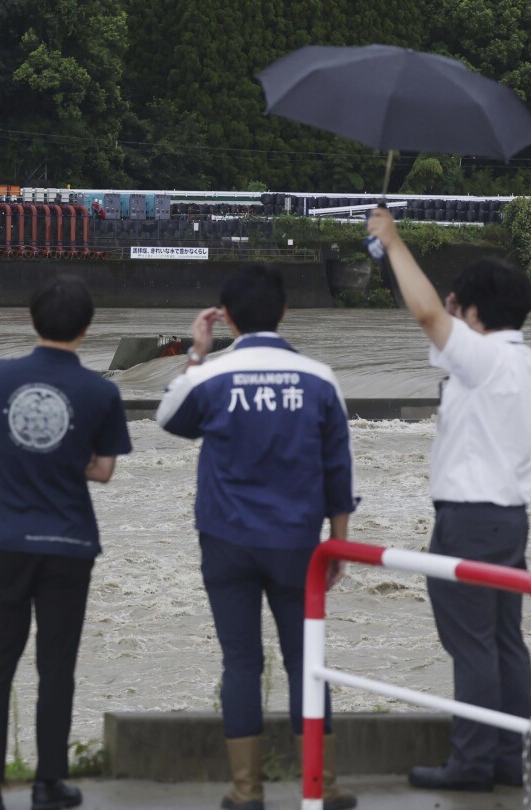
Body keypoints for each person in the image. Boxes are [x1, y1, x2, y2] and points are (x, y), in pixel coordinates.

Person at [155, 265, 357, 810]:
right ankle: (324, 784)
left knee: (241, 662)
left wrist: (197, 352)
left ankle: (246, 791)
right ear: (285, 312)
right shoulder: (318, 379)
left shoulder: (211, 377)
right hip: (296, 542)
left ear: (226, 319)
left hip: (226, 540)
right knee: (304, 659)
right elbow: (339, 466)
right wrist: (337, 541)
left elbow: (168, 418)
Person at [367, 209, 531, 792]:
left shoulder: (485, 356)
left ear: (473, 315)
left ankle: (470, 764)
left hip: (468, 519)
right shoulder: (523, 360)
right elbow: (438, 327)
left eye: (459, 306)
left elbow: (424, 313)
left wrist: (391, 240)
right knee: (504, 642)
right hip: (509, 518)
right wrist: (450, 311)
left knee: (470, 644)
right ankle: (503, 758)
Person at [0, 276, 132, 810]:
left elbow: (3, 438)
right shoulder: (102, 392)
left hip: (4, 539)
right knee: (56, 668)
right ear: (88, 326)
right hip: (68, 543)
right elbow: (103, 471)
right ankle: (48, 784)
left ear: (32, 320)